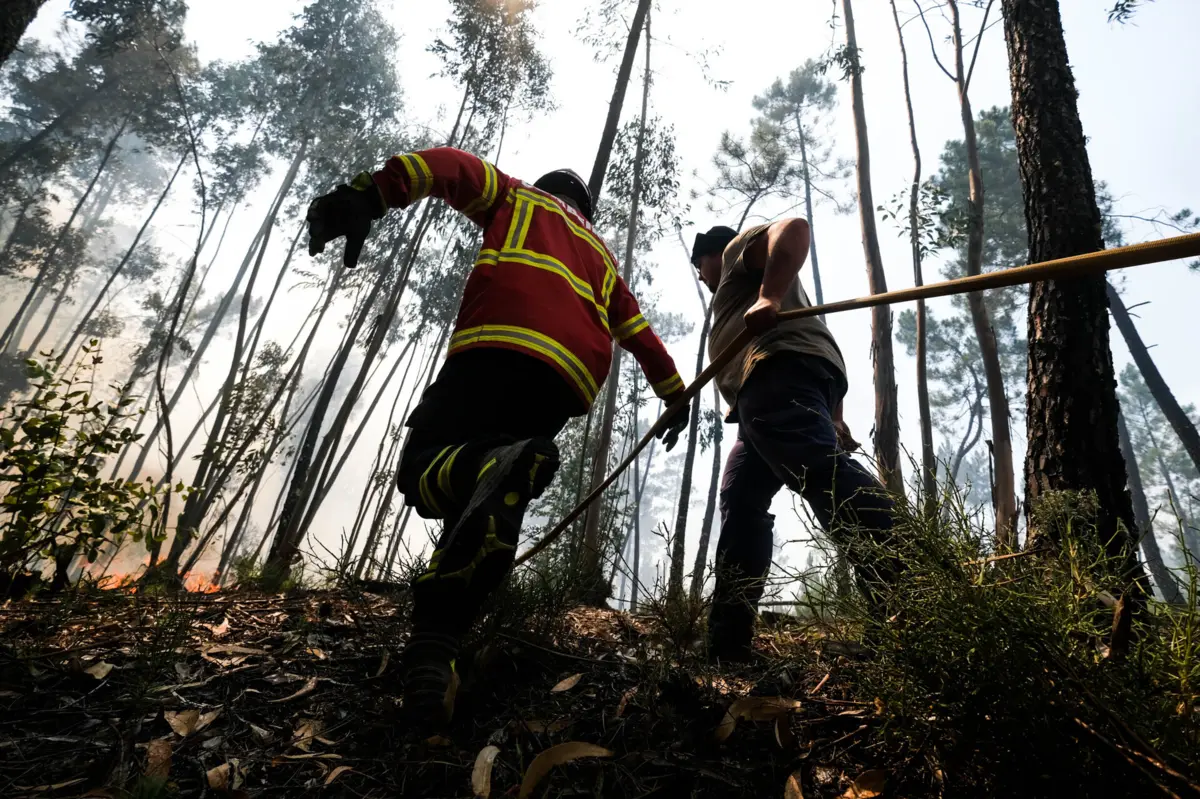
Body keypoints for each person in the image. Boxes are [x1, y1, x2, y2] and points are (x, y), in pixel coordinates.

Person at [306, 147, 690, 725]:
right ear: (587, 206)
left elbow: (450, 168)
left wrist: (371, 193)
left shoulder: (518, 197)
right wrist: (675, 393)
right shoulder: (602, 255)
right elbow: (636, 328)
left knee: (422, 473)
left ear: (547, 187)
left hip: (498, 344)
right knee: (489, 497)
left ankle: (489, 466)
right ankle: (436, 649)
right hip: (563, 381)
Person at [691, 221, 895, 662]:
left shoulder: (733, 256)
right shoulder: (741, 284)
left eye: (698, 267)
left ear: (711, 255)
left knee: (818, 470)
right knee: (740, 498)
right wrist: (835, 420)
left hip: (775, 371)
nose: (702, 278)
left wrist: (768, 297)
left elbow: (794, 229)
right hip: (771, 389)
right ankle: (728, 644)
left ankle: (913, 596)